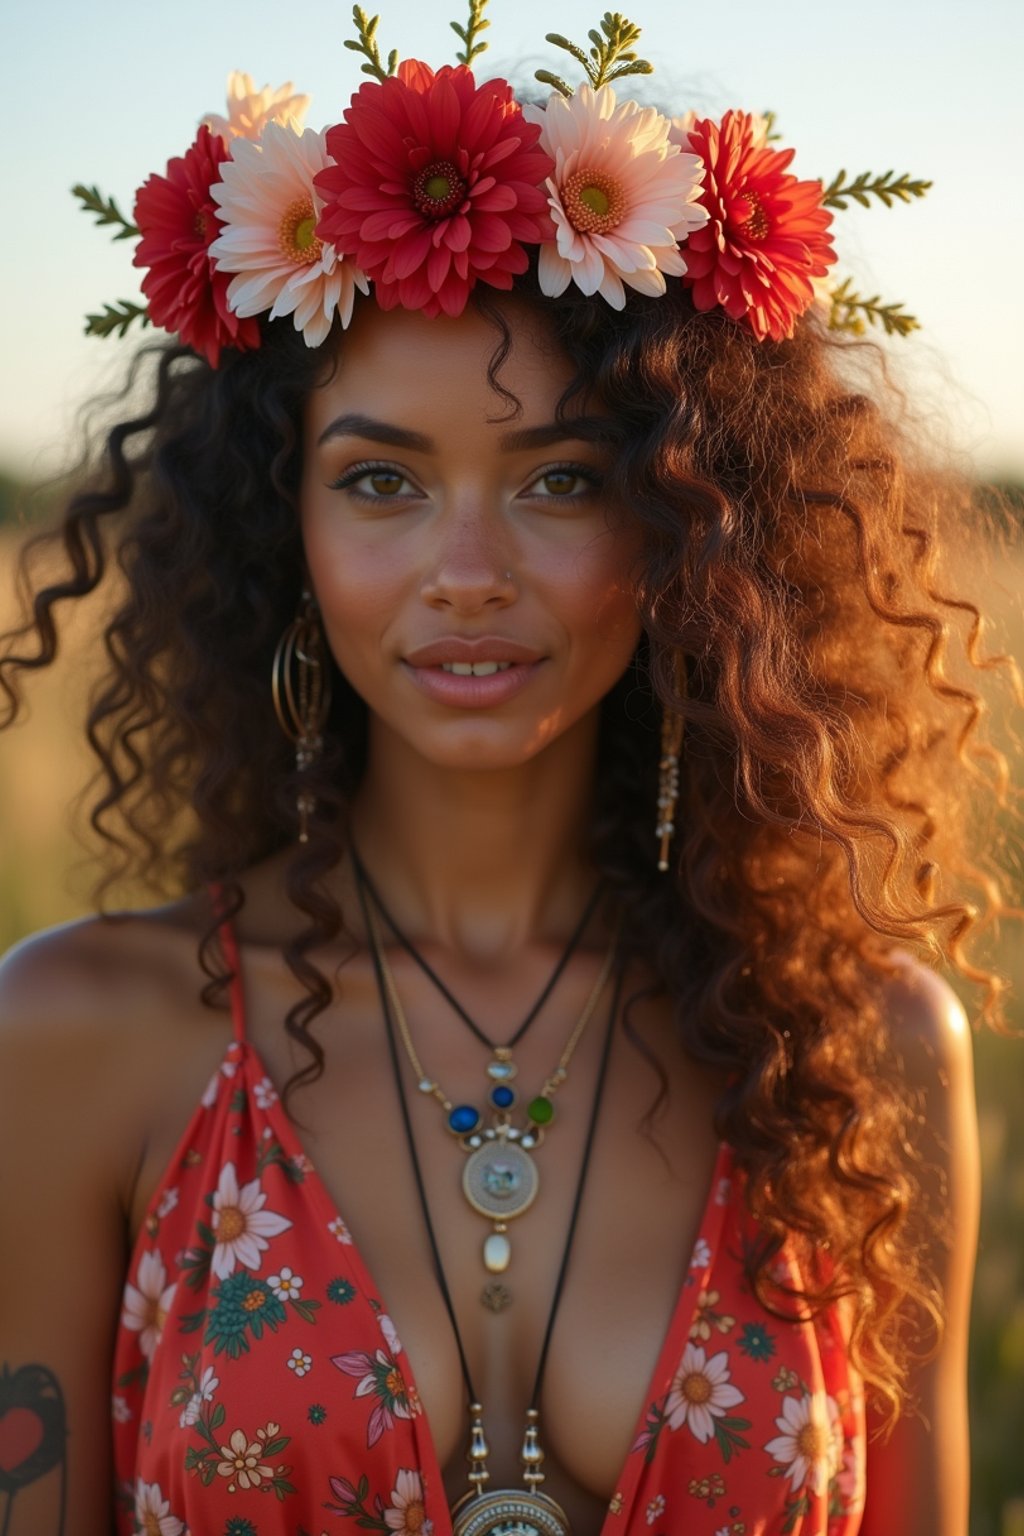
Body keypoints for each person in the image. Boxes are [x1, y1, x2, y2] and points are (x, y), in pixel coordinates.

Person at [0, 13, 1017, 1536]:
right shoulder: (78, 1040)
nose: (466, 573)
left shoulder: (855, 1059)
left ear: (691, 534)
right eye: (382, 481)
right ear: (283, 533)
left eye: (561, 479)